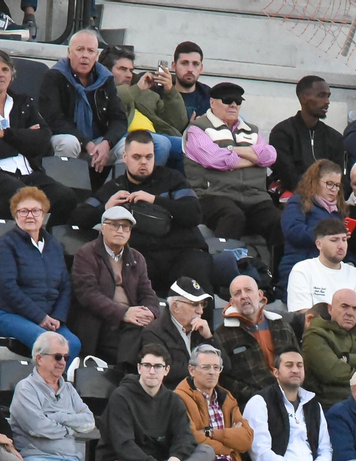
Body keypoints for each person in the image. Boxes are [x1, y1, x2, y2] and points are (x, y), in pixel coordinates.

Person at [71, 129, 212, 294]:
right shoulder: (115, 188)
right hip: (142, 257)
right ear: (125, 157)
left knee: (196, 276)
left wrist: (154, 200)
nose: (143, 162)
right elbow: (77, 217)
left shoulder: (172, 179)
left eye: (149, 157)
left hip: (183, 251)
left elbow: (194, 213)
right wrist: (105, 209)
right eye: (137, 157)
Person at [0, 50, 73, 222]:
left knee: (65, 196)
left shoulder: (24, 103)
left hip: (27, 173)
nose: (0, 74)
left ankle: (46, 244)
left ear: (11, 76)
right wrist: (23, 140)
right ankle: (4, 241)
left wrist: (5, 134)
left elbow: (43, 140)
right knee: (17, 195)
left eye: (5, 70)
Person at [13, 335, 112, 461]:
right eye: (57, 356)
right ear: (40, 358)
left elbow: (89, 422)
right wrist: (70, 428)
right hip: (36, 458)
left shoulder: (68, 389)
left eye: (66, 357)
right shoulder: (26, 388)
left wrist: (57, 417)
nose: (63, 362)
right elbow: (38, 427)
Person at [100, 345, 213, 461]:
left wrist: (175, 457)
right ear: (139, 368)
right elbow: (123, 445)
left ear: (166, 370)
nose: (152, 371)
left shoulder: (173, 400)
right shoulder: (121, 397)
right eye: (147, 365)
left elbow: (185, 435)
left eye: (158, 366)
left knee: (206, 450)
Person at [183, 80, 283, 252]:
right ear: (212, 102)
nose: (233, 105)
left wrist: (231, 149)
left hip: (255, 197)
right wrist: (253, 157)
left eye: (238, 101)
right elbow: (214, 159)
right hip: (212, 195)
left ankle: (280, 276)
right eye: (227, 100)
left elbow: (270, 156)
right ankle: (224, 272)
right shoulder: (197, 129)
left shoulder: (252, 130)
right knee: (232, 216)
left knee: (278, 221)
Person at [0, 186, 79, 356]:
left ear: (43, 214)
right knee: (49, 344)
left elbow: (66, 285)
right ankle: (42, 383)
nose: (30, 216)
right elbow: (8, 287)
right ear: (15, 215)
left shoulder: (54, 246)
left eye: (35, 211)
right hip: (8, 314)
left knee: (73, 343)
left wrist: (57, 318)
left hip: (48, 318)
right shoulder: (5, 245)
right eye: (23, 211)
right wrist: (40, 317)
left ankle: (57, 382)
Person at [70, 206, 158, 365]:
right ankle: (126, 371)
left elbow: (147, 293)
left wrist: (149, 312)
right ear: (103, 228)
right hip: (101, 321)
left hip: (132, 321)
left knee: (154, 332)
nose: (121, 230)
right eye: (115, 225)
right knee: (138, 334)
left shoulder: (137, 257)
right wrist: (124, 313)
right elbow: (88, 295)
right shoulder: (86, 254)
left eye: (126, 227)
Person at [40, 30, 125, 188]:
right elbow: (54, 119)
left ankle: (112, 194)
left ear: (97, 55)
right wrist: (86, 143)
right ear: (69, 52)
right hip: (64, 137)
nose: (85, 55)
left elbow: (119, 118)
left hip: (98, 141)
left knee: (128, 146)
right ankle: (66, 197)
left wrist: (107, 143)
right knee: (69, 143)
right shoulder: (54, 76)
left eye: (90, 51)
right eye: (80, 50)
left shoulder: (105, 78)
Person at [302, 289, 356, 408]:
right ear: (330, 309)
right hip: (330, 405)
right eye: (344, 306)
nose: (350, 313)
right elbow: (333, 373)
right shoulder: (315, 335)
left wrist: (348, 359)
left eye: (355, 308)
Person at [216, 276, 299, 403]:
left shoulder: (282, 326)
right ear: (232, 302)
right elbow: (224, 379)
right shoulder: (222, 334)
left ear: (260, 294)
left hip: (289, 397)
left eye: (248, 290)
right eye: (238, 293)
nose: (244, 296)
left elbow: (298, 363)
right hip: (249, 403)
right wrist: (257, 397)